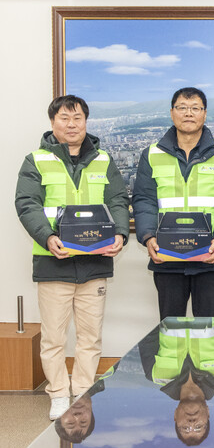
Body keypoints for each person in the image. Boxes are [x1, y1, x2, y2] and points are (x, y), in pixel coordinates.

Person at [15, 95, 130, 421]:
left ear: (86, 122)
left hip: (94, 263)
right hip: (54, 262)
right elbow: (27, 203)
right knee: (53, 337)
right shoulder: (36, 160)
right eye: (64, 118)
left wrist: (120, 234)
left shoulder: (103, 160)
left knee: (90, 336)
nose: (71, 124)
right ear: (53, 122)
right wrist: (47, 237)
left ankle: (81, 391)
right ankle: (58, 394)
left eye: (77, 118)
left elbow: (118, 200)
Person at [133, 87, 214, 320]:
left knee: (208, 328)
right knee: (171, 327)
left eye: (195, 108)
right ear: (171, 112)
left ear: (205, 113)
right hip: (167, 255)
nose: (188, 113)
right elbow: (144, 200)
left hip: (210, 255)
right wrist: (148, 237)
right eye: (182, 107)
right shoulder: (151, 154)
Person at [138, 317, 214, 446]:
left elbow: (147, 327)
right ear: (208, 414)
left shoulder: (154, 373)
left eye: (185, 428)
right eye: (199, 427)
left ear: (175, 416)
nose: (192, 423)